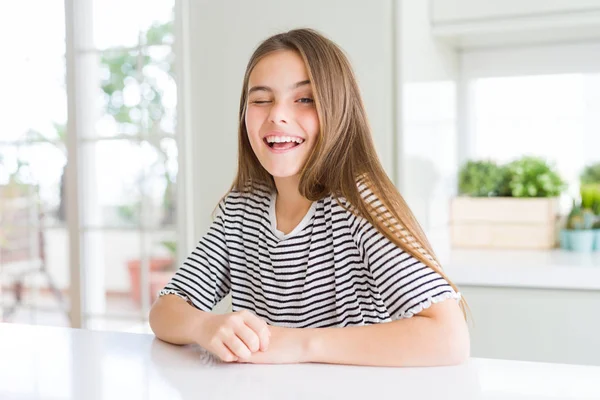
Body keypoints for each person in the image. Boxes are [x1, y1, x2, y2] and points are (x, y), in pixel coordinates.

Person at [149, 28, 470, 367]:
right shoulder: (241, 210)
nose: (277, 115)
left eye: (305, 99)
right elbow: (165, 309)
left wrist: (300, 345)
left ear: (339, 111)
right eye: (260, 100)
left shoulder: (361, 205)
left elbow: (449, 337)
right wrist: (204, 325)